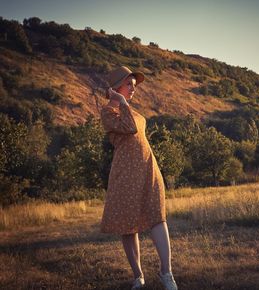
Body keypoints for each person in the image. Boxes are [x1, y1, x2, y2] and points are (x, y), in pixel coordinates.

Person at [99, 66, 178, 290]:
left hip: (147, 167)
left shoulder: (128, 109)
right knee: (127, 225)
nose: (133, 89)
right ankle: (138, 276)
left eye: (135, 85)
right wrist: (122, 103)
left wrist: (125, 104)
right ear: (115, 88)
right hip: (125, 172)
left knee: (158, 217)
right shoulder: (108, 112)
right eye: (129, 85)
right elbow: (131, 128)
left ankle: (166, 273)